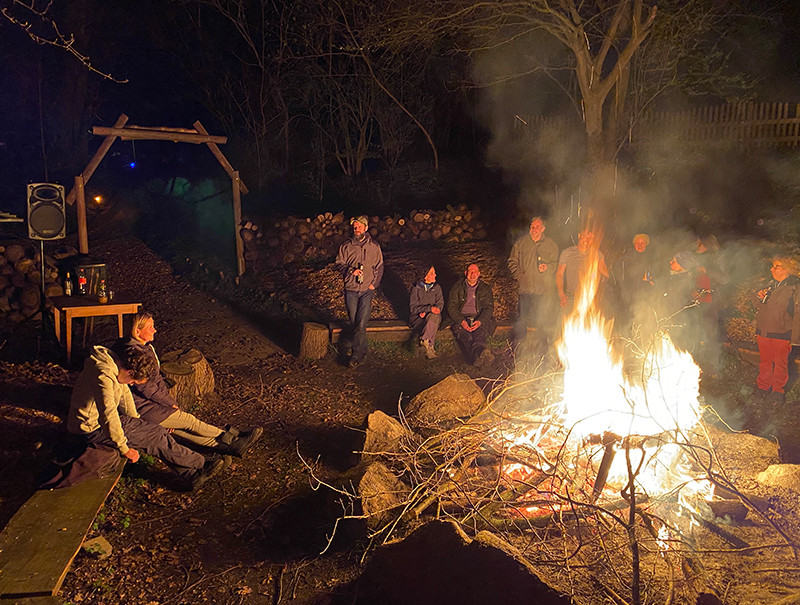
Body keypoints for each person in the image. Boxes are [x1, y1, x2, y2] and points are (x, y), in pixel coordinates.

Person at [67, 345, 228, 490]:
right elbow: (108, 415)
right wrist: (124, 448)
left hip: (99, 423)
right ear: (129, 371)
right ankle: (200, 464)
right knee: (156, 437)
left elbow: (124, 395)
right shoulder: (104, 377)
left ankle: (191, 474)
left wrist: (138, 421)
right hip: (91, 429)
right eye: (133, 381)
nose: (131, 384)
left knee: (156, 432)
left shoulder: (115, 366)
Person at [112, 312, 263, 457]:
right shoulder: (134, 354)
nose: (154, 330)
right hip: (144, 408)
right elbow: (147, 388)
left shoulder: (142, 348)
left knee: (183, 430)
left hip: (149, 404)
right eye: (150, 327)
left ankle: (228, 447)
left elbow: (155, 382)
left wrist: (168, 401)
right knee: (190, 422)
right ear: (138, 331)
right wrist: (169, 403)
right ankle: (233, 439)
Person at [334, 215, 384, 368]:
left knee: (361, 322)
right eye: (355, 227)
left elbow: (380, 266)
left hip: (367, 290)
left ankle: (356, 355)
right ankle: (363, 350)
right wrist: (351, 271)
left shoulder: (374, 246)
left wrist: (373, 284)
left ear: (366, 228)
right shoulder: (346, 246)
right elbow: (339, 263)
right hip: (351, 289)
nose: (357, 229)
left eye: (360, 227)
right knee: (355, 321)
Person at [754, 256, 800, 404]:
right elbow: (758, 304)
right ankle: (763, 387)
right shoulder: (770, 284)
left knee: (781, 364)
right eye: (772, 266)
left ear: (787, 269)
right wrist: (758, 296)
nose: (771, 269)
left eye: (776, 267)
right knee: (765, 361)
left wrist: (795, 338)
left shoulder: (795, 288)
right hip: (763, 330)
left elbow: (798, 313)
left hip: (782, 333)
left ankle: (778, 391)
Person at [507, 216, 559, 343]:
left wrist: (547, 267)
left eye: (537, 227)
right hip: (525, 288)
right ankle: (519, 345)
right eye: (532, 227)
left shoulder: (551, 245)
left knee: (541, 318)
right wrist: (520, 277)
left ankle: (542, 346)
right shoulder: (521, 243)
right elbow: (512, 261)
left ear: (543, 229)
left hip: (542, 289)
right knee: (522, 318)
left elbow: (555, 264)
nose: (534, 229)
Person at [447, 263, 496, 365]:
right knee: (466, 336)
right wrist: (461, 321)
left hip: (478, 317)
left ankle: (479, 355)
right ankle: (479, 355)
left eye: (475, 272)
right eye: (470, 271)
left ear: (478, 274)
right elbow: (451, 307)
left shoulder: (485, 288)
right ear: (466, 273)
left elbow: (489, 308)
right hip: (461, 317)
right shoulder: (457, 287)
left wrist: (480, 321)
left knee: (480, 334)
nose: (472, 274)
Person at [556, 229, 609, 313]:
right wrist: (561, 293)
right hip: (570, 297)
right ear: (579, 236)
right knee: (568, 320)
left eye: (590, 238)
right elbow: (559, 274)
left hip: (589, 298)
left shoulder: (596, 254)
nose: (587, 240)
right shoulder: (567, 253)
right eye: (585, 236)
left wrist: (602, 294)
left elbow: (605, 275)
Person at [409, 266, 444, 359]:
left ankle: (425, 339)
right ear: (425, 276)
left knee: (433, 317)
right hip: (418, 318)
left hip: (433, 316)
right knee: (432, 321)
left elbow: (440, 304)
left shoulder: (437, 288)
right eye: (432, 273)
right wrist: (427, 309)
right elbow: (413, 308)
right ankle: (430, 347)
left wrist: (434, 310)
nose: (435, 275)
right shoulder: (416, 289)